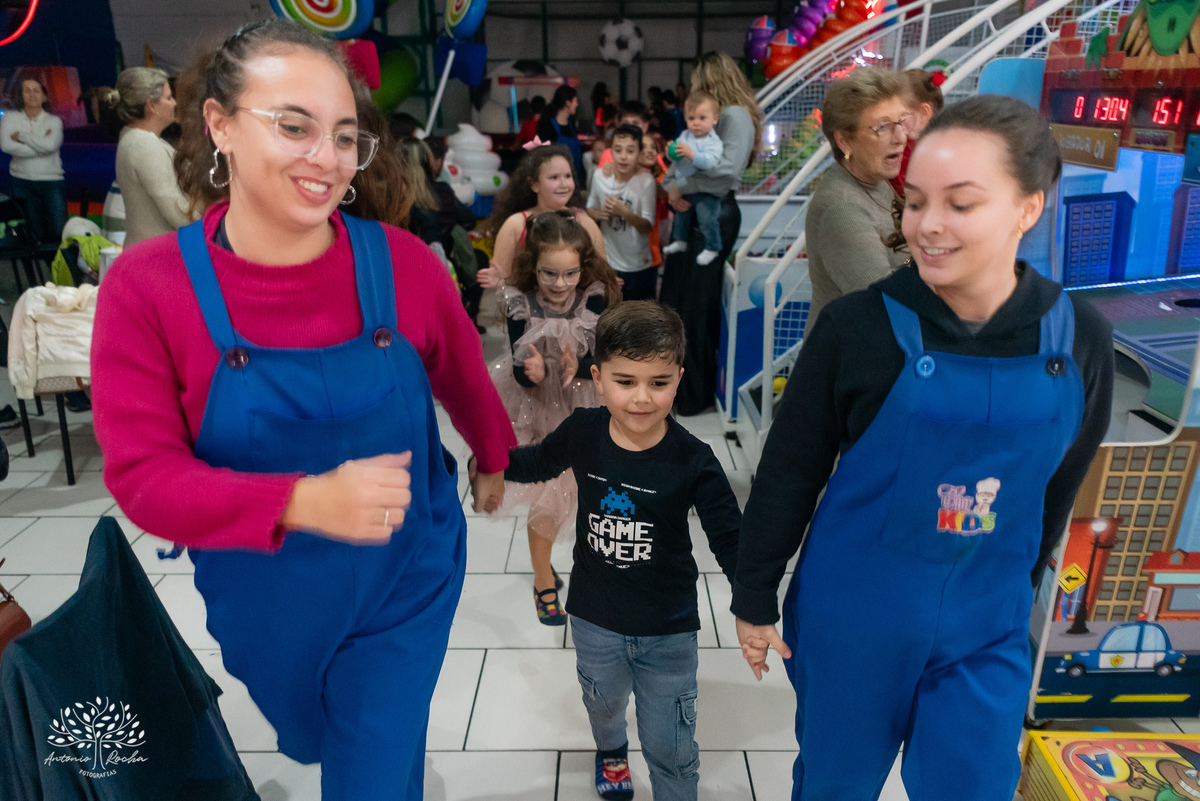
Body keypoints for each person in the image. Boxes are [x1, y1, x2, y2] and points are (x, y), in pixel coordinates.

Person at [91, 19, 515, 801]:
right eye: (294, 126)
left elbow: (461, 372)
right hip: (265, 591)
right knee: (316, 730)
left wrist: (494, 454)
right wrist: (303, 499)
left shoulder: (402, 264)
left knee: (374, 760)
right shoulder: (149, 289)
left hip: (405, 571)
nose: (326, 157)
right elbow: (145, 476)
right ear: (217, 124)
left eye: (345, 135)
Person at [732, 95, 1114, 801]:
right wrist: (753, 593)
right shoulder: (859, 328)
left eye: (960, 204)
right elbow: (790, 467)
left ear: (1028, 207)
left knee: (975, 781)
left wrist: (1016, 592)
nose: (927, 227)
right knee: (834, 785)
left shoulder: (1078, 337)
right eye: (913, 202)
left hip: (986, 621)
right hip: (854, 617)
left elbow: (1057, 486)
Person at [500, 301, 741, 801]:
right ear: (598, 377)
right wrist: (481, 458)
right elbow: (533, 464)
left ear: (678, 377)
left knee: (670, 744)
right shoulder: (583, 431)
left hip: (668, 629)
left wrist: (754, 605)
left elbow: (731, 541)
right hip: (593, 618)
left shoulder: (695, 459)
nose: (641, 398)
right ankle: (610, 752)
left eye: (658, 383)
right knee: (604, 706)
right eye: (625, 381)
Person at [490, 210, 621, 624]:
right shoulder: (518, 303)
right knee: (549, 492)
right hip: (538, 409)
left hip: (586, 403)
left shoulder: (594, 297)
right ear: (534, 267)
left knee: (590, 494)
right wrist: (534, 373)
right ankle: (543, 579)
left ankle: (595, 571)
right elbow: (516, 370)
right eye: (549, 274)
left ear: (583, 267)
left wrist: (575, 369)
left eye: (570, 274)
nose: (561, 284)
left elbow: (606, 358)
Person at [658, 52, 760, 416]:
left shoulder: (732, 115)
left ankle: (693, 395)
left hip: (714, 213)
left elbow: (726, 172)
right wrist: (676, 185)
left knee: (695, 308)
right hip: (702, 209)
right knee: (685, 304)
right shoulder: (721, 116)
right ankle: (684, 392)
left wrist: (680, 186)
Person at [804, 68, 912, 326]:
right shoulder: (842, 209)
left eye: (902, 122)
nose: (900, 138)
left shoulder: (876, 180)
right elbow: (885, 305)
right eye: (882, 127)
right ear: (844, 141)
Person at [477, 143, 606, 287]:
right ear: (534, 184)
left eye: (568, 176)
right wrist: (499, 280)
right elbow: (503, 278)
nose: (564, 184)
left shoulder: (584, 222)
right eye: (554, 177)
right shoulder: (516, 224)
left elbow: (601, 272)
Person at [105, 68, 193, 247]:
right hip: (157, 258)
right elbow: (179, 215)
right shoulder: (144, 146)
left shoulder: (135, 138)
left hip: (147, 252)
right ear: (151, 106)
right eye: (168, 98)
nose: (174, 103)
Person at [587, 124, 657, 300]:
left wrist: (625, 213)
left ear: (639, 153)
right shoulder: (599, 176)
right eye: (618, 150)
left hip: (638, 263)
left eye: (630, 151)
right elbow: (590, 208)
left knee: (638, 318)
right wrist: (599, 213)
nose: (623, 157)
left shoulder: (646, 181)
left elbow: (647, 227)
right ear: (611, 152)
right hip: (609, 262)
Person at [1, 77, 66, 246]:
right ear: (20, 95)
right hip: (21, 182)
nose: (32, 95)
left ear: (44, 96)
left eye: (36, 90)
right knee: (31, 235)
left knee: (58, 231)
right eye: (27, 90)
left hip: (51, 183)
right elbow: (6, 145)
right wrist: (39, 145)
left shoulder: (54, 121)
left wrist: (21, 136)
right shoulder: (10, 118)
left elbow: (50, 145)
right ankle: (36, 271)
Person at [662, 91, 724, 266]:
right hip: (686, 187)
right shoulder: (684, 136)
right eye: (691, 118)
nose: (696, 123)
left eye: (702, 118)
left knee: (708, 220)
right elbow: (676, 159)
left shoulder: (714, 142)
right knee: (682, 216)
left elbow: (710, 162)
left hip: (705, 190)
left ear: (714, 119)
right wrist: (670, 153)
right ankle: (680, 241)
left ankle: (713, 247)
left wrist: (691, 154)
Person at [890, 68, 945, 197]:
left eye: (900, 115)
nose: (894, 122)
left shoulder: (907, 151)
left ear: (924, 113)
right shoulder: (941, 145)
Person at [536, 85, 585, 183]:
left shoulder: (571, 123)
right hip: (556, 178)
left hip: (574, 176)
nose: (577, 104)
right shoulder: (548, 125)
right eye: (575, 101)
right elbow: (543, 155)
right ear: (568, 103)